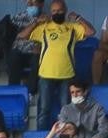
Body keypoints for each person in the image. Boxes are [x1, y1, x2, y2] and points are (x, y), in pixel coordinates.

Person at [18, 1, 94, 129]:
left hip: (67, 75)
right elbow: (22, 36)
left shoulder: (72, 27)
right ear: (50, 12)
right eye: (54, 11)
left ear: (65, 11)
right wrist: (36, 22)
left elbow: (91, 32)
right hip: (46, 75)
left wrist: (78, 18)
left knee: (67, 110)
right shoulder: (44, 27)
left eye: (59, 11)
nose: (56, 13)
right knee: (44, 110)